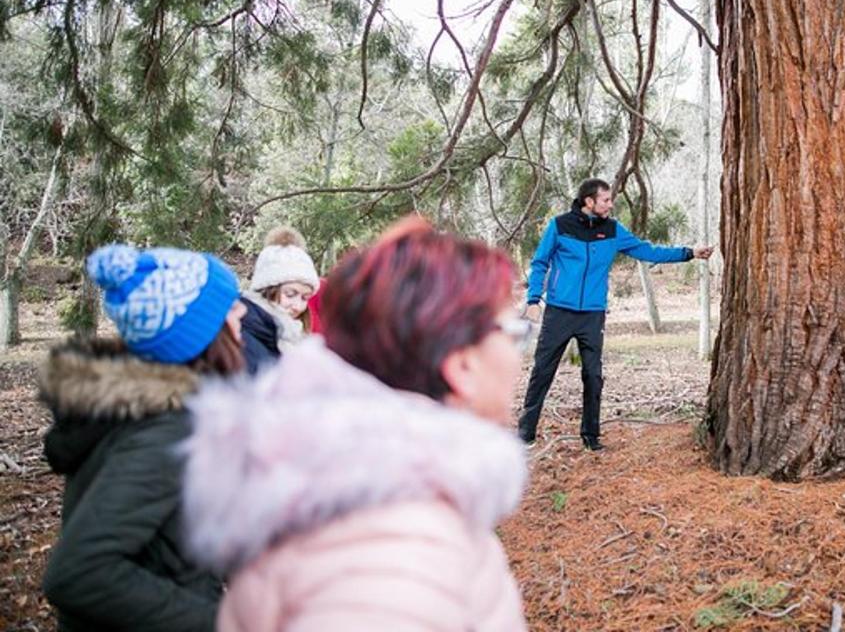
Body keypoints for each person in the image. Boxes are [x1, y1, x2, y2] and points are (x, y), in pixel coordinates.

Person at [181, 217, 531, 631]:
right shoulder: (397, 556)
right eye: (511, 332)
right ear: (462, 366)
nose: (517, 350)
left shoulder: (381, 503)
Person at [40, 244, 246, 632]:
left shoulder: (150, 410)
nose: (243, 311)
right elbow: (79, 573)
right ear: (197, 333)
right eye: (229, 305)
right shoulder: (167, 430)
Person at [518, 178, 714, 451]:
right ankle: (525, 434)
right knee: (542, 372)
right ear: (589, 202)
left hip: (593, 314)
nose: (611, 205)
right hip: (559, 311)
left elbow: (647, 250)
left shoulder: (612, 230)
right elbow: (540, 262)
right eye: (606, 200)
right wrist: (533, 299)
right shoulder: (560, 226)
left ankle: (591, 437)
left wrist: (689, 253)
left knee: (593, 375)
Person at [240, 225, 320, 373]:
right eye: (290, 294)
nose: (298, 306)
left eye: (304, 298)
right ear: (267, 289)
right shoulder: (245, 336)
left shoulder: (294, 334)